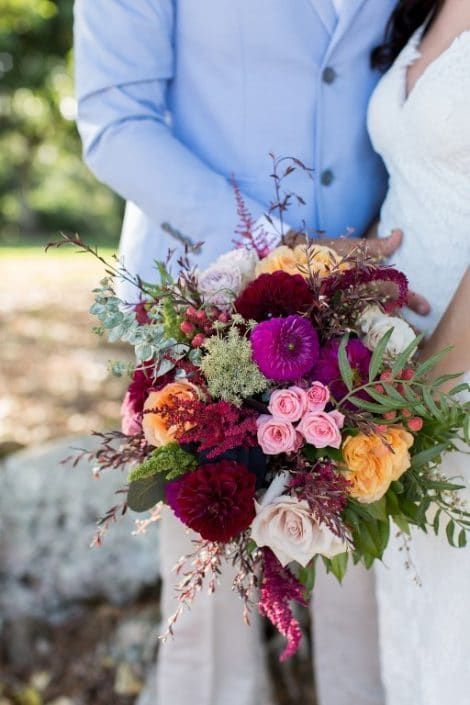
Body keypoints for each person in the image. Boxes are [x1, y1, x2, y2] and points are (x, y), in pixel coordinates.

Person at [74, 2, 428, 704]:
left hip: (374, 292)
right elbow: (114, 119)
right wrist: (281, 245)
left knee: (370, 592)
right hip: (202, 285)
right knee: (211, 613)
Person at [368, 0, 470, 702]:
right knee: (415, 610)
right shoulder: (418, 10)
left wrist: (434, 368)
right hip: (389, 373)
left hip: (447, 370)